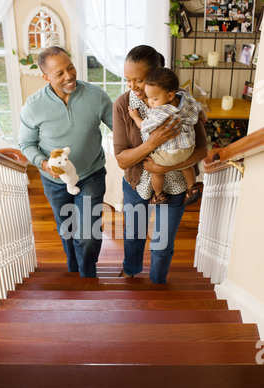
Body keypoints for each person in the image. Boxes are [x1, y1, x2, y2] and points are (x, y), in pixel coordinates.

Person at [113, 45, 207, 283]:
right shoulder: (124, 105)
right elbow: (122, 158)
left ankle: (157, 281)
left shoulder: (181, 100)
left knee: (162, 243)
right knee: (133, 234)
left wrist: (163, 168)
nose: (133, 86)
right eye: (128, 80)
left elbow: (202, 150)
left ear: (157, 74)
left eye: (139, 79)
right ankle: (132, 270)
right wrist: (153, 142)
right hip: (136, 180)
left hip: (175, 183)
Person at [19, 46, 113, 277]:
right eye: (59, 73)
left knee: (88, 234)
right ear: (46, 77)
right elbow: (26, 145)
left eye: (70, 67)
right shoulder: (33, 106)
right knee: (68, 230)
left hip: (90, 174)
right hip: (55, 180)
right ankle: (74, 271)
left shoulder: (96, 96)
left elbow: (120, 131)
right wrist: (43, 164)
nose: (69, 76)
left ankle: (87, 275)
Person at [128, 66, 205, 205]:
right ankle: (192, 187)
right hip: (188, 148)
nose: (151, 102)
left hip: (169, 154)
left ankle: (158, 195)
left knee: (156, 171)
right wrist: (202, 115)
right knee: (186, 165)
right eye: (149, 97)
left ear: (170, 95)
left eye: (154, 98)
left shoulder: (160, 111)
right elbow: (198, 106)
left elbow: (144, 126)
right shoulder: (186, 97)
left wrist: (135, 117)